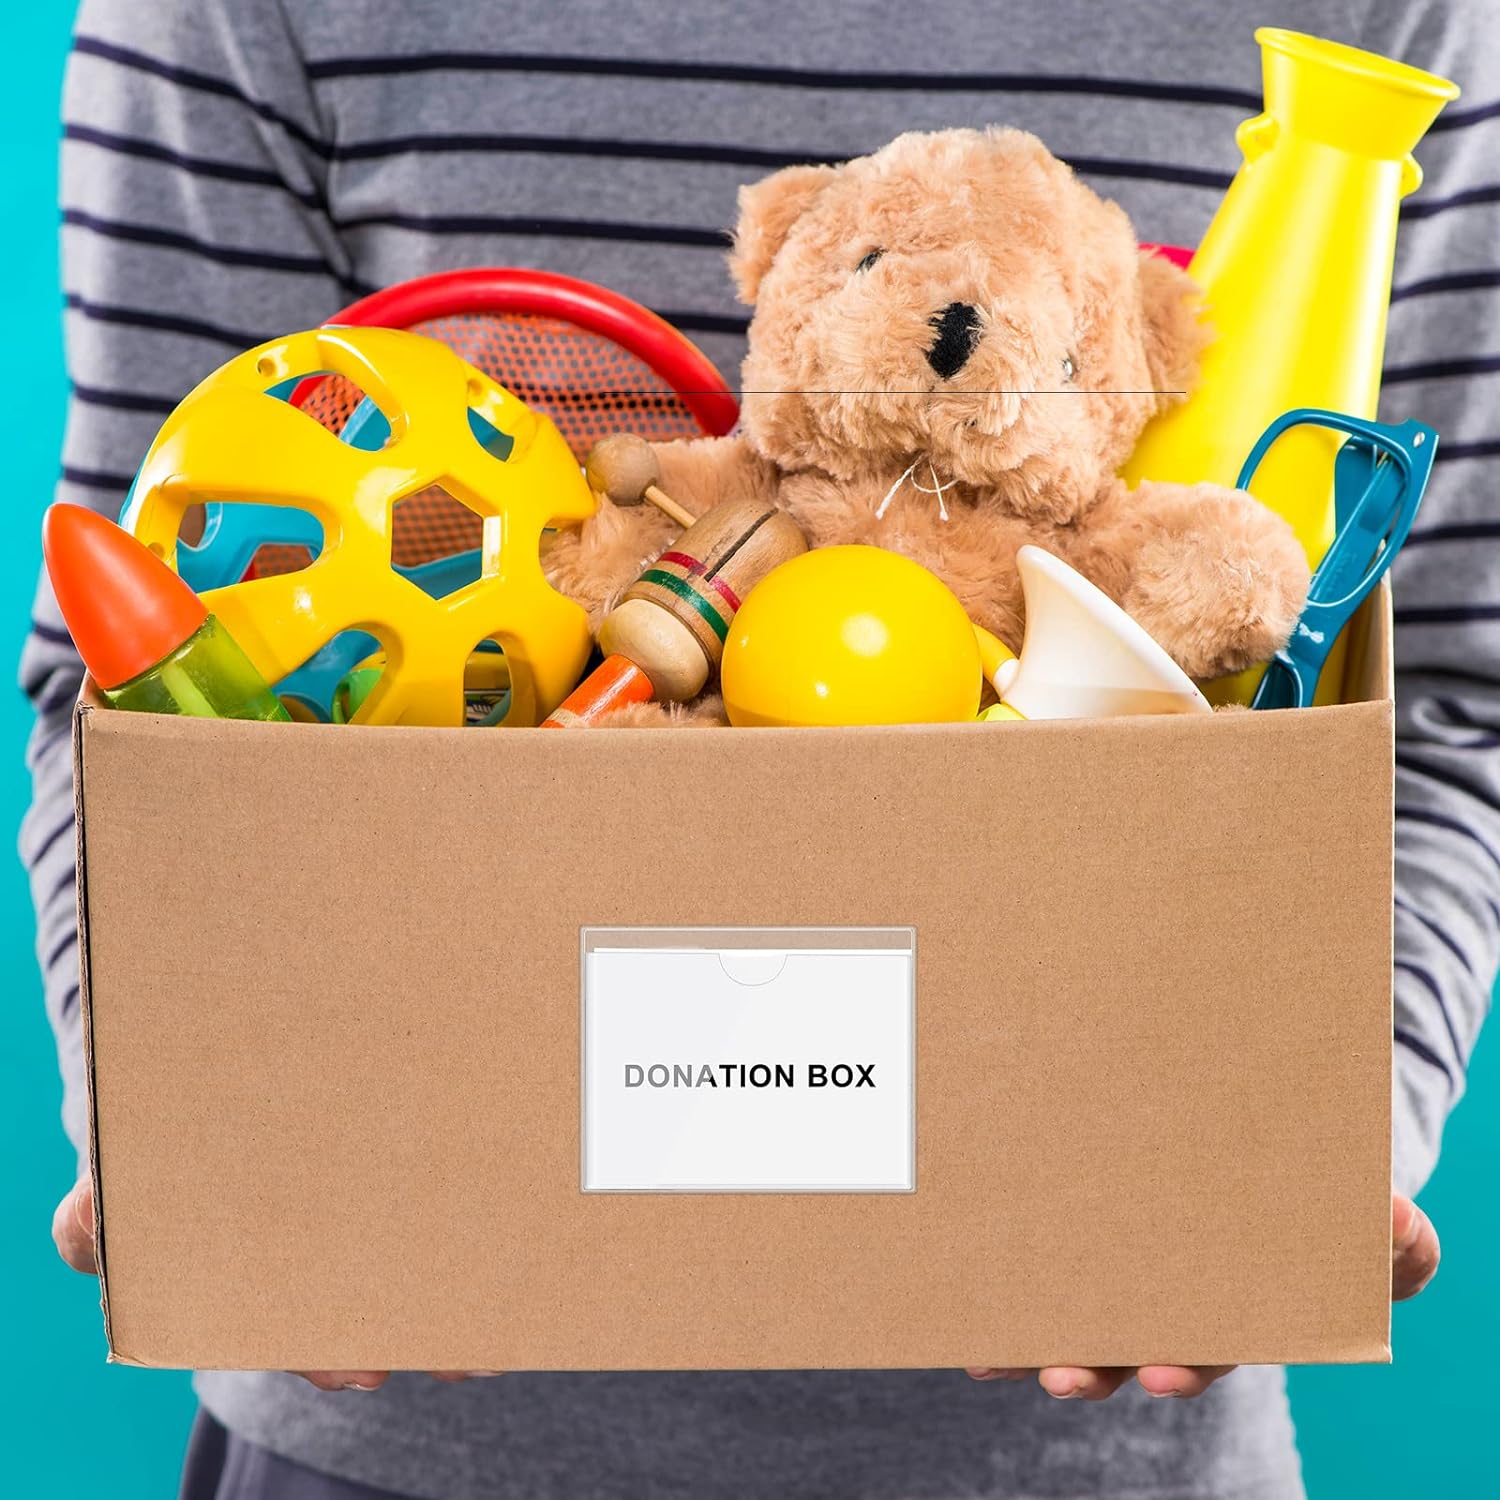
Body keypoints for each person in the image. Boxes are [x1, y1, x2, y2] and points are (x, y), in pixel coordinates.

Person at [24, 2, 1491, 1497]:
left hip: (1109, 1431)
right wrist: (178, 1112)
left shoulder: (1399, 37)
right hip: (391, 1430)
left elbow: (1437, 705)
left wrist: (1299, 1143)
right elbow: (140, 665)